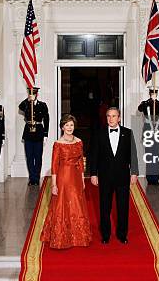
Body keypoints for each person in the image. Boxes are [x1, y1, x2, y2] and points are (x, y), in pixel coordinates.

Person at [41, 114, 91, 249]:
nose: (69, 127)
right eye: (67, 125)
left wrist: (82, 179)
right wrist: (54, 184)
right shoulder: (58, 144)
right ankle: (62, 236)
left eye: (71, 125)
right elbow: (54, 165)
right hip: (63, 178)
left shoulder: (79, 142)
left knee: (77, 203)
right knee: (62, 205)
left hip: (76, 177)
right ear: (62, 127)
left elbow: (80, 162)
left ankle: (78, 236)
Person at [89, 107, 139, 244]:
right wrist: (93, 173)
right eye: (108, 116)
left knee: (123, 207)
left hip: (122, 176)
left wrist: (134, 172)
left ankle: (122, 234)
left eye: (114, 116)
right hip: (104, 176)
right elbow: (94, 156)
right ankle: (105, 235)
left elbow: (132, 154)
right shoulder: (99, 133)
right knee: (105, 207)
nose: (111, 119)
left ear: (119, 118)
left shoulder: (128, 133)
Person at [18, 87, 49, 186]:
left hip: (39, 132)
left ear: (37, 95)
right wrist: (28, 100)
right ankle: (32, 178)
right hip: (28, 133)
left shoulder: (42, 105)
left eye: (34, 94)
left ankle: (37, 177)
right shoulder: (26, 104)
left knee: (38, 157)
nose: (33, 95)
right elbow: (20, 106)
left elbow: (46, 120)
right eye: (31, 93)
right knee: (29, 157)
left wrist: (45, 134)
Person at [137, 86, 159, 185]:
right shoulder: (146, 104)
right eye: (152, 93)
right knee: (149, 156)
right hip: (148, 134)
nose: (153, 95)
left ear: (157, 94)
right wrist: (147, 102)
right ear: (149, 93)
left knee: (156, 156)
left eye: (155, 93)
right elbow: (139, 109)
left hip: (158, 134)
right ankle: (150, 178)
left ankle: (156, 177)